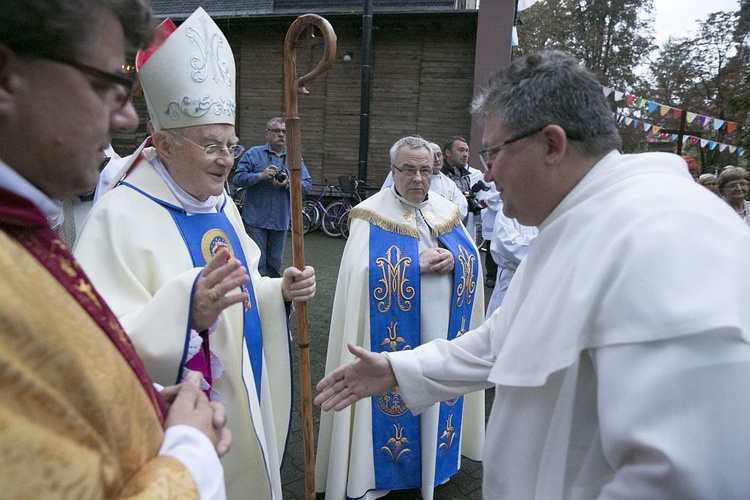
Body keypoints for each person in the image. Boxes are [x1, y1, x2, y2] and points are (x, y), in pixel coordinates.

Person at [315, 51, 750, 498]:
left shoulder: (669, 235)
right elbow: (500, 341)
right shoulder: (573, 226)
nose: (487, 172)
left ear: (551, 145)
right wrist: (396, 367)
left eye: (493, 152)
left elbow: (687, 475)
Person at [74, 8, 316, 499]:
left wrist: (278, 291)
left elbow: (245, 276)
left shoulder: (221, 202)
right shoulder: (119, 215)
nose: (227, 158)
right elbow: (97, 341)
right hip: (175, 426)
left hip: (240, 386)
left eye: (230, 144)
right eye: (210, 145)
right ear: (162, 144)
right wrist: (188, 311)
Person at [0, 1, 233, 498]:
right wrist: (189, 457)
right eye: (107, 85)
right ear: (6, 77)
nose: (127, 119)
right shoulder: (117, 210)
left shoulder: (23, 229)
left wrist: (139, 399)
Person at [315, 136, 485, 500]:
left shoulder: (446, 210)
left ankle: (431, 469)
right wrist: (412, 266)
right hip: (389, 340)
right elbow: (358, 279)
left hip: (442, 330)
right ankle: (374, 474)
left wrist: (457, 261)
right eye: (408, 169)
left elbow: (472, 260)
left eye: (425, 169)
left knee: (438, 385)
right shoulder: (369, 214)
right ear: (393, 171)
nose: (418, 178)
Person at [233, 117, 312, 277]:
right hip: (256, 219)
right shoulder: (253, 154)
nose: (281, 134)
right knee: (257, 262)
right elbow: (237, 179)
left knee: (275, 264)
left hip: (280, 220)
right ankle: (257, 296)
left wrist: (289, 184)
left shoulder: (294, 157)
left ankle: (273, 298)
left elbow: (307, 185)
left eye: (284, 131)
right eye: (276, 131)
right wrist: (260, 176)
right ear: (267, 134)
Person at [381, 141, 468, 218]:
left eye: (439, 155)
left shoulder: (449, 183)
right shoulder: (399, 173)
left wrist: (441, 213)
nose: (418, 179)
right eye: (409, 170)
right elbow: (385, 199)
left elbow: (461, 208)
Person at [485, 197, 538, 317]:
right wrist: (542, 243)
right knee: (503, 322)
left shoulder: (544, 212)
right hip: (510, 278)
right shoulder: (507, 212)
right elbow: (509, 244)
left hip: (537, 279)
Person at [441, 135, 485, 241]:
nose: (465, 154)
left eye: (467, 151)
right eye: (461, 150)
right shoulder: (438, 176)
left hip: (465, 232)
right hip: (444, 231)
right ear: (448, 153)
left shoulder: (468, 175)